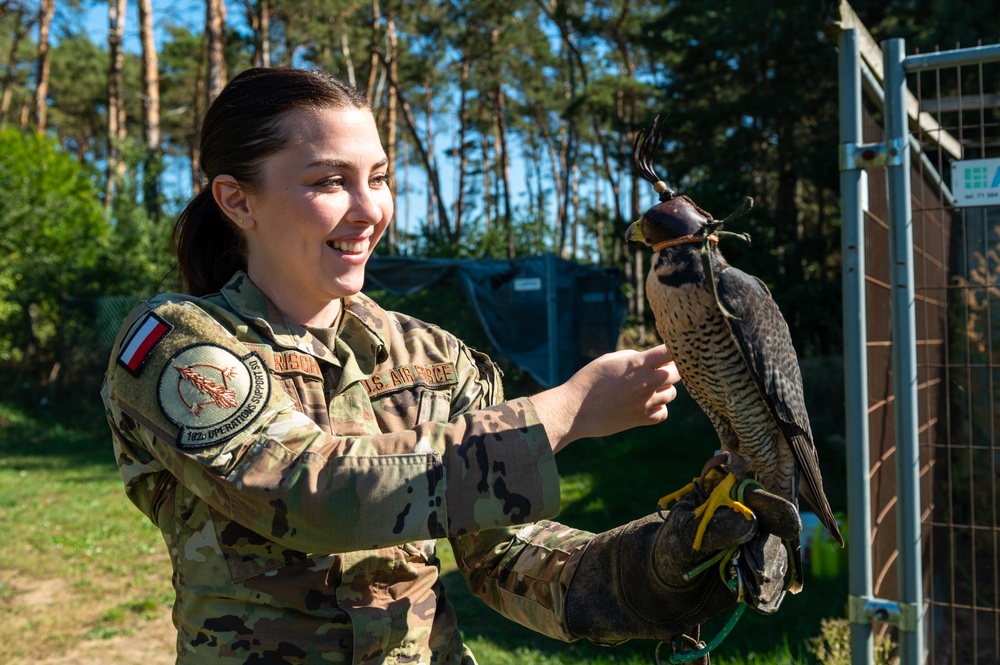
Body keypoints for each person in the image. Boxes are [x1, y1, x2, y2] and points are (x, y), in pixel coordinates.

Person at [101, 67, 799, 664]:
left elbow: (508, 559)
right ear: (237, 199)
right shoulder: (180, 346)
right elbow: (308, 495)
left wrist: (662, 563)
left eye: (377, 177)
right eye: (329, 181)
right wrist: (565, 412)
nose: (369, 209)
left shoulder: (436, 359)